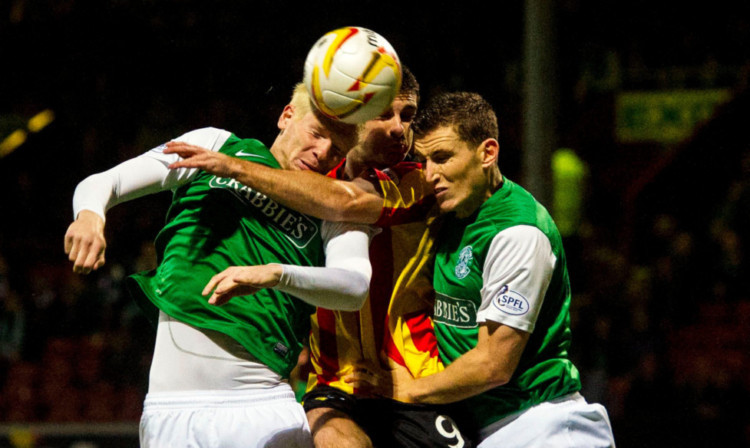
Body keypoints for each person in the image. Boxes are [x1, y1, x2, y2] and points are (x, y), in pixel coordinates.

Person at [166, 68, 472, 448]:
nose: (399, 129)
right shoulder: (304, 179)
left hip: (411, 379)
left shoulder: (419, 178)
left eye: (407, 116)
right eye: (385, 115)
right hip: (333, 385)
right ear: (355, 121)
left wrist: (234, 167)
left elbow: (345, 201)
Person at [63, 84, 377, 448]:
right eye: (317, 134)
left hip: (261, 410)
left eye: (336, 149)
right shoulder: (216, 144)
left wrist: (274, 274)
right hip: (168, 413)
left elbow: (353, 287)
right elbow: (106, 182)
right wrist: (89, 216)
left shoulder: (334, 206)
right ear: (286, 115)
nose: (322, 153)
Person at [347, 91, 616, 447]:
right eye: (424, 160)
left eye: (442, 158)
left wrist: (408, 389)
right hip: (485, 429)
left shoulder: (518, 232)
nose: (430, 175)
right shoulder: (450, 214)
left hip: (542, 426)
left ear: (488, 153)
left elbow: (493, 365)